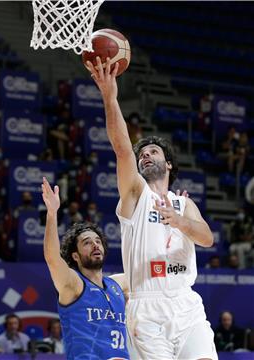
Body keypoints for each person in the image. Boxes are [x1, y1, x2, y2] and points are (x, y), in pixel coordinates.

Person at [87, 57, 217, 360]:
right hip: (147, 307)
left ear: (168, 163)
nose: (145, 156)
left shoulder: (185, 204)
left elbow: (207, 239)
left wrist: (180, 221)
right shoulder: (136, 195)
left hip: (186, 305)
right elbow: (121, 148)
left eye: (153, 152)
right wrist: (110, 97)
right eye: (142, 154)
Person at [41, 177, 129, 360]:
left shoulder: (117, 284)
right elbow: (52, 258)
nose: (95, 245)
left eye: (98, 241)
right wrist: (52, 213)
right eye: (87, 243)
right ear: (75, 256)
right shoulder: (74, 285)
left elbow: (151, 274)